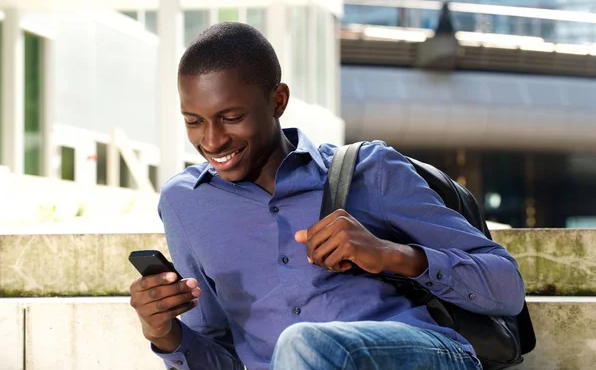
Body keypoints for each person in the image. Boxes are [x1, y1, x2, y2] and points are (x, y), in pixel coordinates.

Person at [129, 22, 525, 370]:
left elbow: (506, 289)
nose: (212, 140)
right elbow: (221, 355)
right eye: (194, 122)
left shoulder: (373, 169)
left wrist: (390, 254)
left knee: (303, 343)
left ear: (278, 101)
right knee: (298, 348)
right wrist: (163, 333)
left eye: (232, 118)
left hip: (420, 355)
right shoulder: (185, 203)